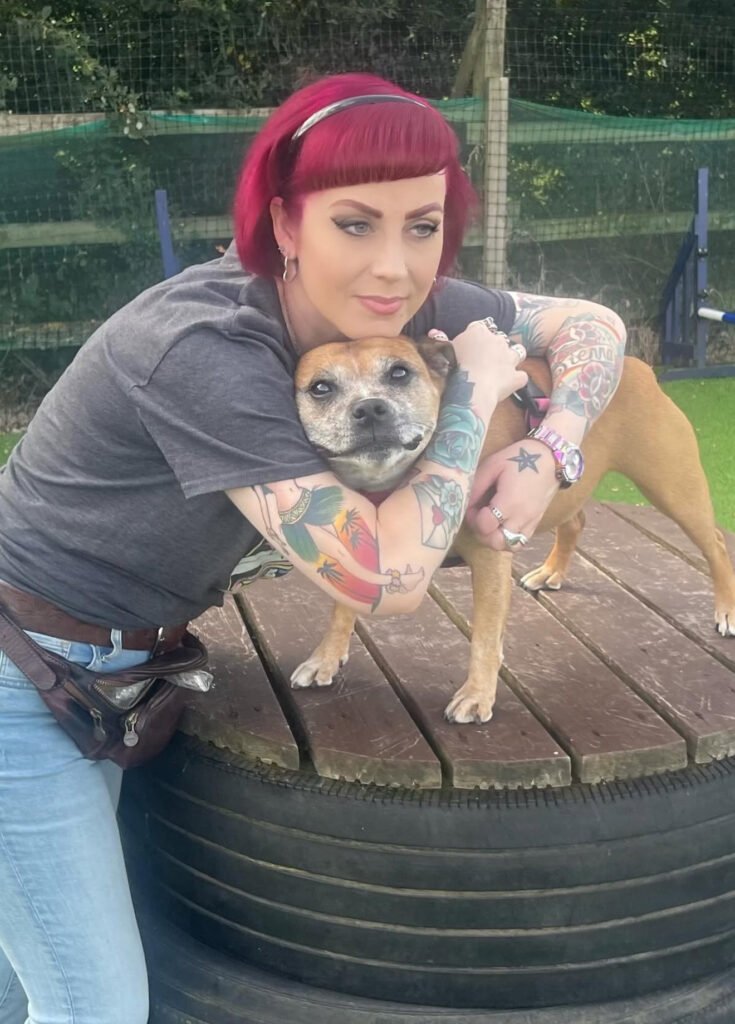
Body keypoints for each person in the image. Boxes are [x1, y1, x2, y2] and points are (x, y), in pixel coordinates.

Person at [0, 72, 626, 1023]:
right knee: (94, 1008)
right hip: (23, 669)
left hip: (105, 668)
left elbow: (593, 324)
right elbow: (383, 578)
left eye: (422, 226)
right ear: (285, 225)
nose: (393, 266)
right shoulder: (203, 344)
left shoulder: (388, 304)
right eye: (354, 223)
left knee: (28, 982)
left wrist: (551, 443)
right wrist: (470, 396)